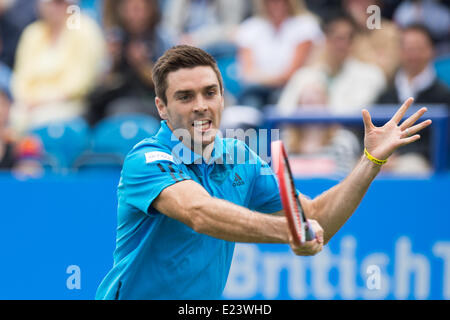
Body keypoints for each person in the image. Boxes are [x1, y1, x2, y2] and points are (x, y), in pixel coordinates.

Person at [95, 45, 431, 300]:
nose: (201, 105)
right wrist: (292, 232)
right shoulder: (147, 159)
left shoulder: (239, 156)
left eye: (210, 93)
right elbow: (199, 212)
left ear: (223, 98)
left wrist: (370, 160)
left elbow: (315, 217)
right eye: (185, 96)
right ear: (161, 107)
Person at [277, 10, 386, 174]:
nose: (341, 44)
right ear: (326, 40)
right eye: (337, 38)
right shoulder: (303, 75)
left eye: (347, 38)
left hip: (345, 144)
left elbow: (355, 114)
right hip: (300, 143)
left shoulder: (372, 76)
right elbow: (283, 112)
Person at [10, 0, 106, 134]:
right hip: (28, 104)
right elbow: (20, 78)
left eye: (59, 3)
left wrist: (41, 101)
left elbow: (80, 83)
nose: (54, 8)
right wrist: (26, 101)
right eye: (50, 3)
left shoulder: (84, 30)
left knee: (38, 121)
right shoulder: (32, 32)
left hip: (71, 104)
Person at [376, 24, 450, 174]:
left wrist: (399, 156)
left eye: (419, 49)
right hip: (384, 158)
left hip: (423, 168)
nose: (413, 55)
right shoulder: (386, 93)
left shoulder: (444, 95)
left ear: (431, 51)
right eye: (408, 49)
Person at [86, 0, 172, 125]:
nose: (132, 15)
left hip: (150, 100)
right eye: (127, 10)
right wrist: (112, 60)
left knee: (118, 109)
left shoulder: (161, 38)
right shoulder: (117, 38)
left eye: (137, 9)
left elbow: (168, 86)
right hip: (118, 95)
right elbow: (102, 82)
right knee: (89, 113)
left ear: (149, 10)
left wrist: (141, 65)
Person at [235, 0, 323, 109]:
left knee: (278, 98)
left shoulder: (306, 25)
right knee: (251, 100)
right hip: (256, 90)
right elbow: (247, 74)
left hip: (291, 89)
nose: (276, 4)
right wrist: (273, 79)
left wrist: (263, 78)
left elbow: (291, 74)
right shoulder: (250, 27)